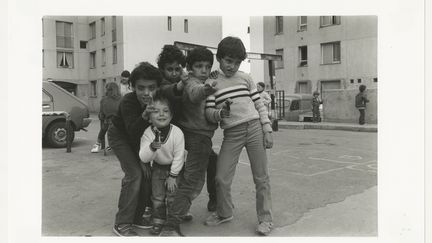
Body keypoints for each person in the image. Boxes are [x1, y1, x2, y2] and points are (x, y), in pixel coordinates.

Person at [204, 36, 274, 236]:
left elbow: (259, 104)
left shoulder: (246, 78)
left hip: (254, 129)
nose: (232, 66)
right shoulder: (211, 82)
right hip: (231, 133)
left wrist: (267, 129)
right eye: (228, 61)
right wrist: (220, 114)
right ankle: (224, 212)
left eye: (237, 62)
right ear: (219, 58)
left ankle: (266, 219)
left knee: (261, 178)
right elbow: (209, 112)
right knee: (221, 178)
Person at [160, 47, 220, 236]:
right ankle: (171, 223)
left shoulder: (201, 80)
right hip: (198, 137)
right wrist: (207, 88)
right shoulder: (193, 84)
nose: (204, 70)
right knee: (192, 181)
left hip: (194, 136)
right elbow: (195, 94)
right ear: (190, 68)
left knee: (192, 174)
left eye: (208, 66)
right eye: (199, 66)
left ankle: (176, 211)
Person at [108, 62, 162, 237]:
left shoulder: (159, 100)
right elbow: (132, 132)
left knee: (147, 177)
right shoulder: (128, 101)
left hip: (139, 141)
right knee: (135, 174)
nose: (146, 93)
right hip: (120, 136)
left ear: (158, 87)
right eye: (141, 88)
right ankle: (122, 223)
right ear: (132, 87)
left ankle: (138, 217)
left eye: (151, 88)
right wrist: (142, 159)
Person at [138, 91, 185, 236]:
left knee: (172, 196)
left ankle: (172, 222)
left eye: (166, 111)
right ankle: (158, 220)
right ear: (149, 117)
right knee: (157, 197)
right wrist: (152, 147)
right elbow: (143, 157)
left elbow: (179, 156)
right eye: (156, 112)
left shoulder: (177, 133)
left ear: (171, 115)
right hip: (158, 168)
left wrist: (173, 176)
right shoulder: (147, 133)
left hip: (175, 169)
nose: (162, 114)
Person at [91, 82, 121, 153]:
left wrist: (102, 116)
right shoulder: (121, 99)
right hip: (119, 122)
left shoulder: (104, 100)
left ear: (107, 90)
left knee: (103, 129)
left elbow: (101, 114)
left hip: (108, 122)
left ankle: (97, 144)